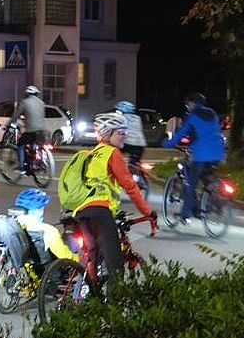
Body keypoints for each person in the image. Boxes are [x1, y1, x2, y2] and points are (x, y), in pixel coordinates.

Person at [72, 119, 157, 286]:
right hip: (100, 211)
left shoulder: (92, 154)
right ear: (107, 134)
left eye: (125, 132)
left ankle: (84, 292)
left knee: (92, 259)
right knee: (115, 267)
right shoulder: (112, 153)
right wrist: (148, 212)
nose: (124, 136)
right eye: (120, 132)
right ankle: (111, 307)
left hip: (81, 211)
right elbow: (130, 187)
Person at [162, 92, 226, 223]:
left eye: (188, 104)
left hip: (201, 153)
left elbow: (181, 133)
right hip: (217, 152)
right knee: (206, 176)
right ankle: (214, 203)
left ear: (193, 103)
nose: (187, 106)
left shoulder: (192, 117)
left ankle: (185, 215)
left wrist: (167, 143)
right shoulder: (212, 114)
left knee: (191, 183)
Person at [8, 85, 46, 173]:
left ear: (27, 94)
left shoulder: (24, 102)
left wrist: (10, 124)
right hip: (41, 131)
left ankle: (21, 167)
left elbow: (16, 115)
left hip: (31, 131)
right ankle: (38, 162)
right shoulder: (41, 103)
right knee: (34, 144)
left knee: (20, 145)